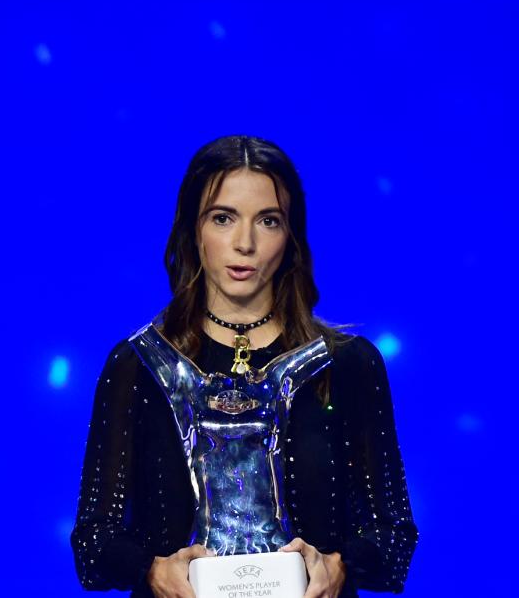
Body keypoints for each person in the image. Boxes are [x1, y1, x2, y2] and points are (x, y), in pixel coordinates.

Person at [70, 136, 417, 598]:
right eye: (223, 218)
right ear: (193, 229)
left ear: (291, 236)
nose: (245, 244)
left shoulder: (348, 365)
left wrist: (338, 567)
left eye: (268, 221)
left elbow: (393, 535)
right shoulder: (137, 367)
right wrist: (153, 570)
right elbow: (93, 542)